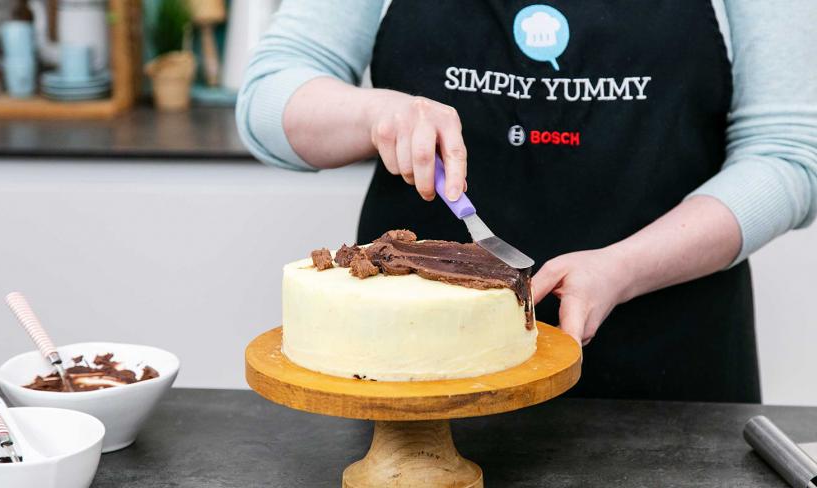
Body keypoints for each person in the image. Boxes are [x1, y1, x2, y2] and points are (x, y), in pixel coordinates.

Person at [236, 1, 817, 403]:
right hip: (408, 388)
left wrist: (623, 268)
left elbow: (789, 155)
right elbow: (267, 102)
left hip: (669, 377)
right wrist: (374, 114)